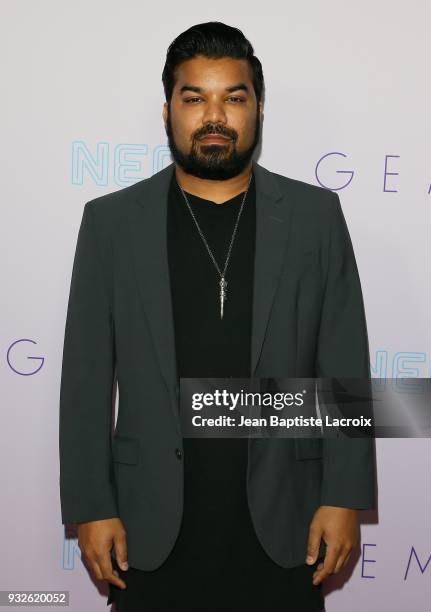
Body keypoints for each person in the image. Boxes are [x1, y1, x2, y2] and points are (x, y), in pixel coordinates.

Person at [59, 21, 376, 612]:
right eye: (194, 98)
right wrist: (91, 506)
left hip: (286, 521)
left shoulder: (314, 218)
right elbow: (85, 381)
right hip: (149, 528)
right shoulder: (111, 224)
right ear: (167, 111)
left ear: (258, 110)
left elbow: (343, 363)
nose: (214, 115)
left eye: (233, 97)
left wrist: (344, 496)